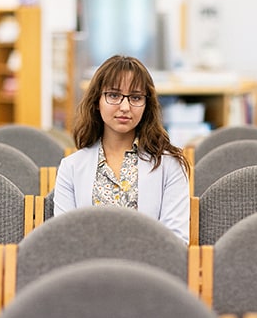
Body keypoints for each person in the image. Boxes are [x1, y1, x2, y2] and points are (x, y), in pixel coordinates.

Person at [53, 55, 191, 243]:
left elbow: (176, 241)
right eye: (114, 95)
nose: (125, 107)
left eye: (135, 97)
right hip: (87, 269)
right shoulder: (71, 167)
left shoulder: (170, 164)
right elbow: (64, 240)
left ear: (146, 105)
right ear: (96, 101)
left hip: (151, 270)